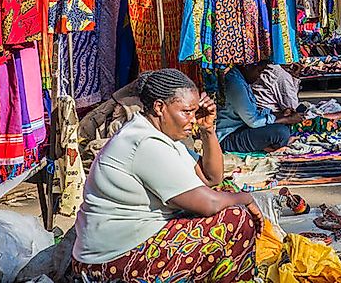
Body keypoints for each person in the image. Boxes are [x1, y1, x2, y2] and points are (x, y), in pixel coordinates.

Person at [72, 69, 261, 282]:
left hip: (120, 249)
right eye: (186, 112)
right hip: (111, 262)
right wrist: (247, 198)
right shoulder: (144, 142)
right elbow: (208, 203)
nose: (192, 120)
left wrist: (208, 130)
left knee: (227, 192)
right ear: (160, 107)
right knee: (236, 218)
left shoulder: (161, 136)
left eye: (194, 112)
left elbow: (211, 178)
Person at [216, 63, 304, 153]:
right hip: (227, 137)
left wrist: (280, 115)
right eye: (258, 71)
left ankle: (270, 145)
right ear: (247, 66)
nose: (259, 76)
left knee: (283, 129)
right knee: (281, 132)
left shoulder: (239, 79)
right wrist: (286, 119)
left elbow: (254, 113)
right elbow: (254, 121)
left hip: (241, 127)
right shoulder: (236, 84)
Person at [250, 62, 341, 120]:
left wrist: (294, 78)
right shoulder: (280, 75)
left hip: (268, 113)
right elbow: (292, 108)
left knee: (307, 109)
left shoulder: (276, 71)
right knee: (305, 117)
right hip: (269, 117)